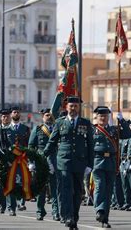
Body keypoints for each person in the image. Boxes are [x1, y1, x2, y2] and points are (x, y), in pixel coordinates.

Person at [44, 96, 94, 230]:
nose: (73, 109)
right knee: (66, 190)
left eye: (76, 106)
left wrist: (90, 165)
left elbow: (90, 145)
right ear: (66, 107)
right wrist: (42, 157)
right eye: (71, 106)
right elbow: (52, 142)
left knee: (77, 192)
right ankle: (68, 217)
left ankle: (74, 218)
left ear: (79, 108)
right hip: (64, 161)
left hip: (80, 162)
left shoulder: (85, 123)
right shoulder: (60, 123)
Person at [91, 106, 131, 228]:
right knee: (100, 186)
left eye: (105, 116)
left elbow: (127, 134)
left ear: (109, 117)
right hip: (97, 161)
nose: (103, 118)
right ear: (97, 117)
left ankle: (105, 218)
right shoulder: (92, 130)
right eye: (100, 116)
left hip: (111, 162)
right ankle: (99, 210)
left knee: (108, 192)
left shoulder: (114, 130)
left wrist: (122, 120)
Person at [28, 108, 59, 221]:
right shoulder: (37, 129)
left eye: (50, 115)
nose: (49, 117)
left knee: (55, 189)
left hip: (55, 161)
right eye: (47, 115)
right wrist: (31, 162)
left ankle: (56, 212)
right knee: (41, 190)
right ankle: (40, 211)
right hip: (41, 162)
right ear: (42, 116)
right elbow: (31, 146)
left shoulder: (57, 128)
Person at [0, 109, 12, 214]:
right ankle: (2, 205)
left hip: (11, 159)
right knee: (0, 183)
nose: (5, 118)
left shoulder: (12, 129)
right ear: (1, 118)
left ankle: (11, 207)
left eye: (7, 116)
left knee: (11, 182)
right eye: (3, 117)